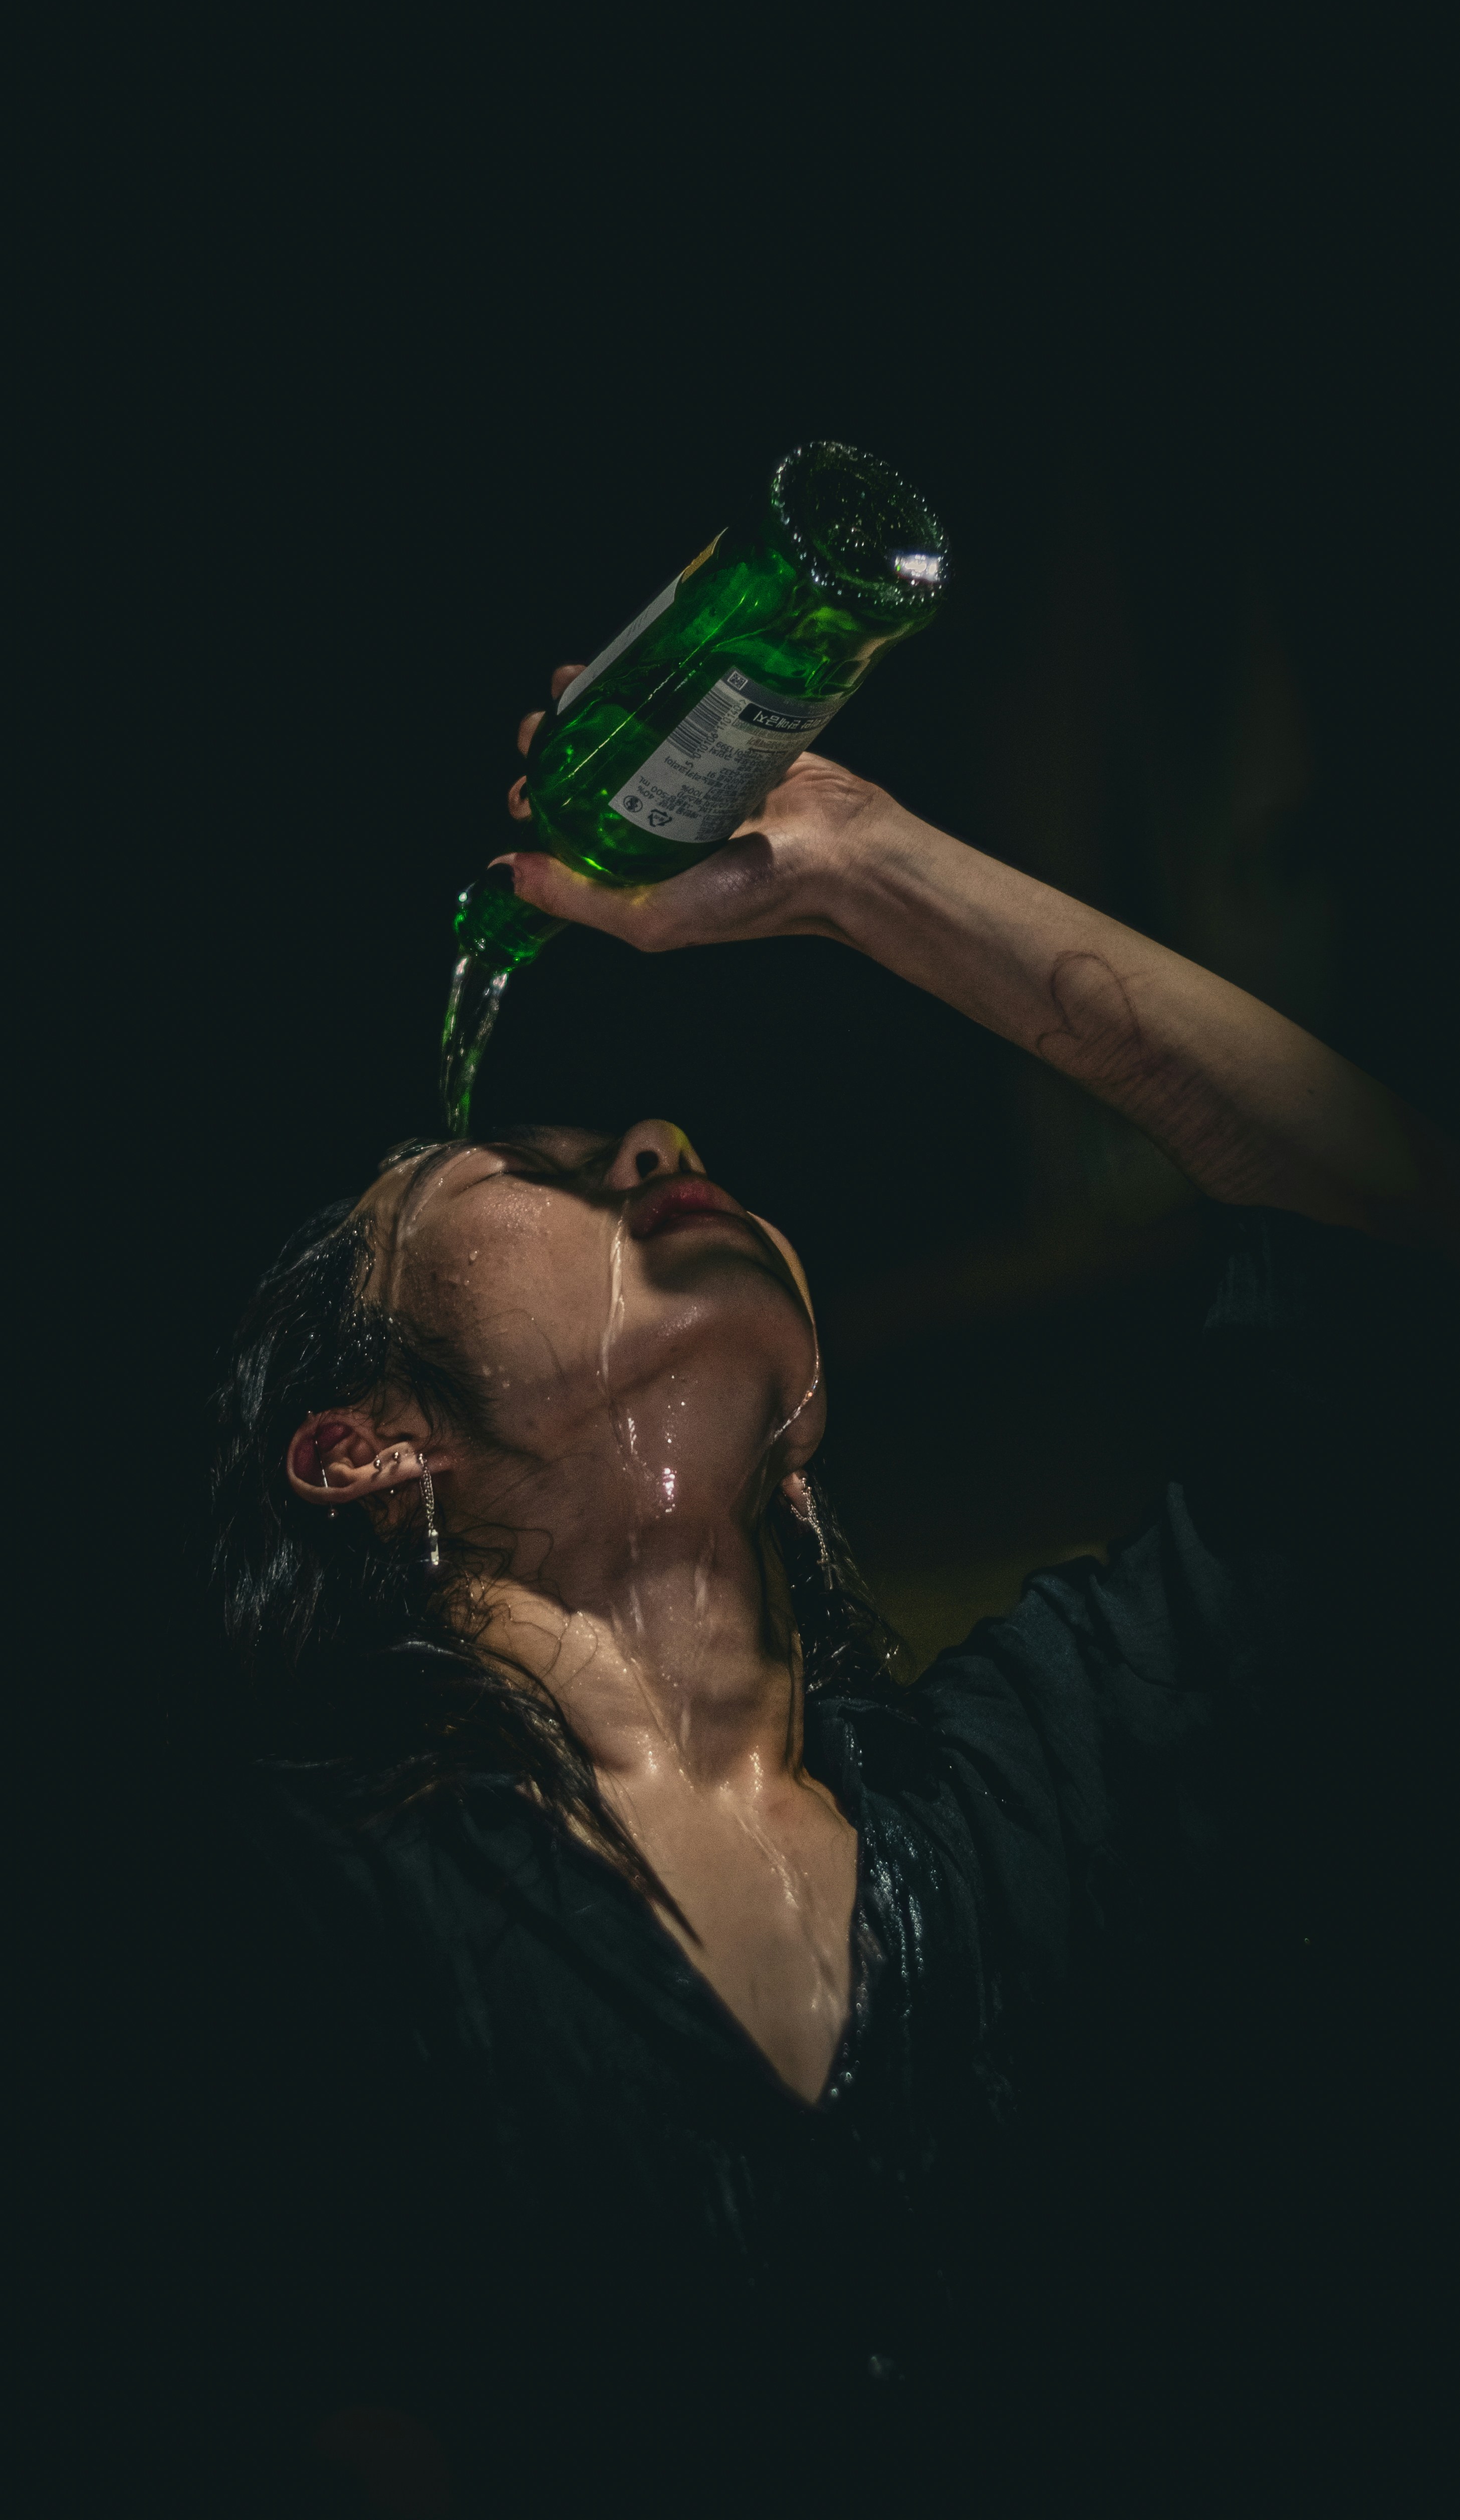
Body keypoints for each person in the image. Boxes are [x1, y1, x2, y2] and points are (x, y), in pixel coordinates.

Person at [179, 672, 1455, 2517]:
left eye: (644, 1145)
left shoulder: (1042, 1781)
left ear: (797, 1430)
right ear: (366, 1446)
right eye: (527, 1162)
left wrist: (866, 866)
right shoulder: (259, 1914)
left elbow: (1393, 1238)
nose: (654, 1138)